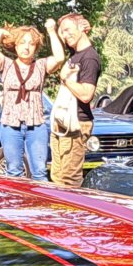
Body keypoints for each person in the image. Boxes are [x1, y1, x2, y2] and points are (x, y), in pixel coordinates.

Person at [0, 18, 64, 179]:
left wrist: (52, 31)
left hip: (36, 124)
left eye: (31, 43)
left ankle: (40, 202)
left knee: (39, 172)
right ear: (15, 45)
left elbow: (59, 58)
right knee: (14, 171)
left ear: (36, 47)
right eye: (22, 42)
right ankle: (16, 203)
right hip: (11, 124)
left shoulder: (40, 65)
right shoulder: (7, 64)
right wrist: (0, 33)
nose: (26, 47)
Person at [50, 12, 102, 188]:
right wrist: (56, 29)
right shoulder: (75, 54)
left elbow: (87, 95)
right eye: (62, 32)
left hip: (77, 123)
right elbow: (65, 36)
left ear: (81, 28)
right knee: (57, 176)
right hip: (63, 121)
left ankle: (70, 214)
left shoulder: (89, 58)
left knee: (69, 179)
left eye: (67, 30)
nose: (64, 35)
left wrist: (65, 79)